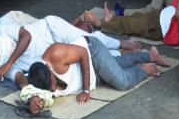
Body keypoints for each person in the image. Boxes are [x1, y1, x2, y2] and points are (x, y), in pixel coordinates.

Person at [0, 15, 143, 88]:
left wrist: (9, 62)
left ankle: (120, 43)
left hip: (53, 29)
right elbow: (20, 79)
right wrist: (28, 91)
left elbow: (27, 37)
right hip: (57, 52)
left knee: (89, 38)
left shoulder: (7, 33)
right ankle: (123, 54)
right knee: (94, 53)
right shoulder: (6, 67)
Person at [27, 36, 169, 114]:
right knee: (115, 66)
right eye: (49, 90)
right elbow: (25, 88)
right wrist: (33, 102)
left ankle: (145, 69)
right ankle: (149, 56)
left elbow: (83, 53)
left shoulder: (56, 54)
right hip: (91, 71)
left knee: (122, 81)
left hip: (91, 51)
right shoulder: (37, 81)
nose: (53, 89)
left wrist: (86, 89)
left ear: (49, 69)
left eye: (52, 83)